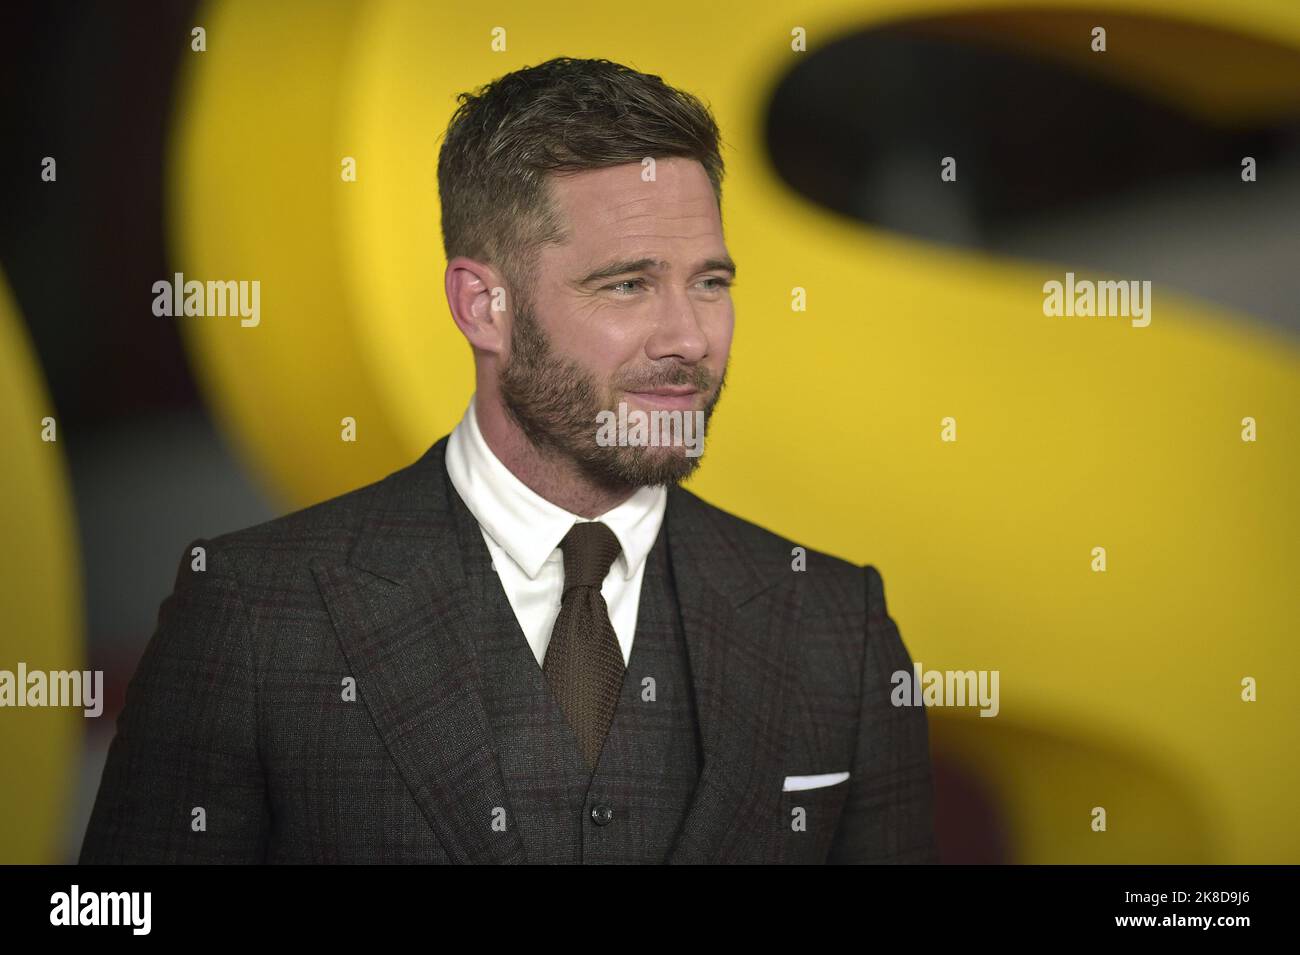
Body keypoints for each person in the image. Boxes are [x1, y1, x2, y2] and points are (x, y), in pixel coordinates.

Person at [80, 56, 938, 864]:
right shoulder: (259, 615)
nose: (689, 339)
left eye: (710, 282)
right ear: (481, 306)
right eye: (628, 284)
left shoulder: (836, 626)